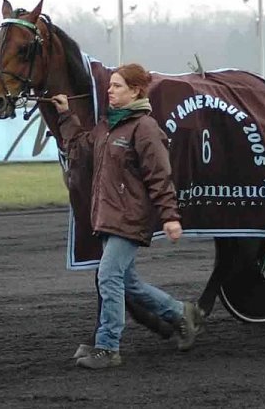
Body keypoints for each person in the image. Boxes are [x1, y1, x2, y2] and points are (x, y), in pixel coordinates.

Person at [51, 63, 204, 370]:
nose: (110, 90)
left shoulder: (145, 128)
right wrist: (66, 115)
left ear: (135, 91)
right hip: (108, 216)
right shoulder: (108, 126)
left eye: (117, 86)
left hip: (129, 218)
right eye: (110, 86)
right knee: (128, 283)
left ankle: (108, 348)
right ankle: (181, 312)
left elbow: (160, 177)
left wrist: (170, 216)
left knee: (108, 276)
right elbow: (81, 150)